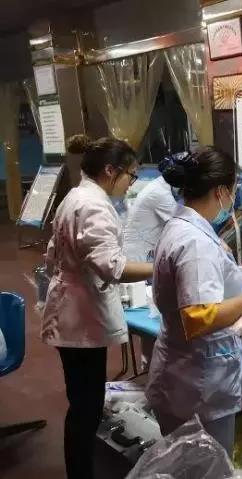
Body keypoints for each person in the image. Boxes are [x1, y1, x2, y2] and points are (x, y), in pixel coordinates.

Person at [145, 146, 242, 456]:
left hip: (182, 372)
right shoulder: (195, 242)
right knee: (206, 465)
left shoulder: (183, 227)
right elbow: (199, 317)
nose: (234, 199)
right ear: (220, 191)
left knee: (184, 464)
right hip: (198, 384)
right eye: (233, 191)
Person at [42, 134, 154, 479]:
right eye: (130, 175)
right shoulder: (93, 205)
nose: (131, 183)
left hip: (72, 307)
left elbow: (55, 254)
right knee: (85, 407)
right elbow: (112, 267)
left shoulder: (77, 196)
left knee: (83, 402)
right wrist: (162, 265)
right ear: (110, 170)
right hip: (79, 316)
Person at [123, 158, 179, 370]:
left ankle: (150, 363)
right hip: (138, 257)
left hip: (144, 254)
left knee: (150, 310)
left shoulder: (159, 187)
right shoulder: (159, 193)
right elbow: (180, 223)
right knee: (147, 313)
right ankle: (150, 364)